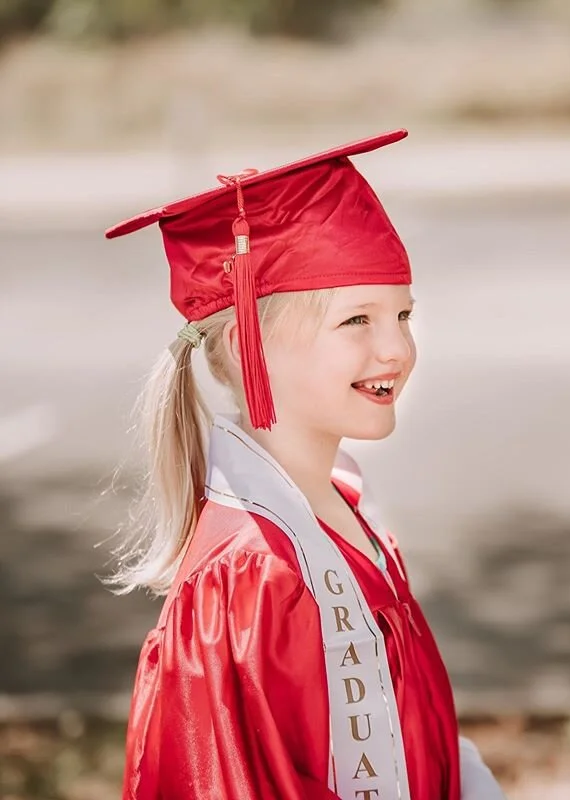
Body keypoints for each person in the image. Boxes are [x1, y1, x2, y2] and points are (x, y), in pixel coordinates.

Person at [106, 130, 506, 800]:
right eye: (357, 321)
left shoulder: (340, 511)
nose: (397, 349)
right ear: (247, 345)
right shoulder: (251, 571)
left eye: (403, 315)